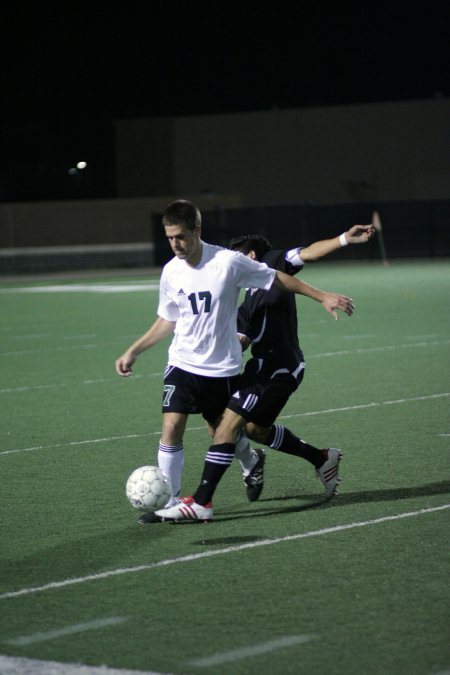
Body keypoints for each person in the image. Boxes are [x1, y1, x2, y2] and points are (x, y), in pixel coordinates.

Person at [115, 199, 355, 522]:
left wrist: (323, 295)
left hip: (239, 369)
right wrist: (134, 350)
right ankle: (173, 502)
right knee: (180, 426)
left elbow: (279, 277)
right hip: (183, 363)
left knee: (233, 430)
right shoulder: (171, 271)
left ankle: (250, 473)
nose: (175, 244)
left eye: (181, 237)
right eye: (170, 238)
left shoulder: (229, 263)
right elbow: (167, 318)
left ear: (197, 230)